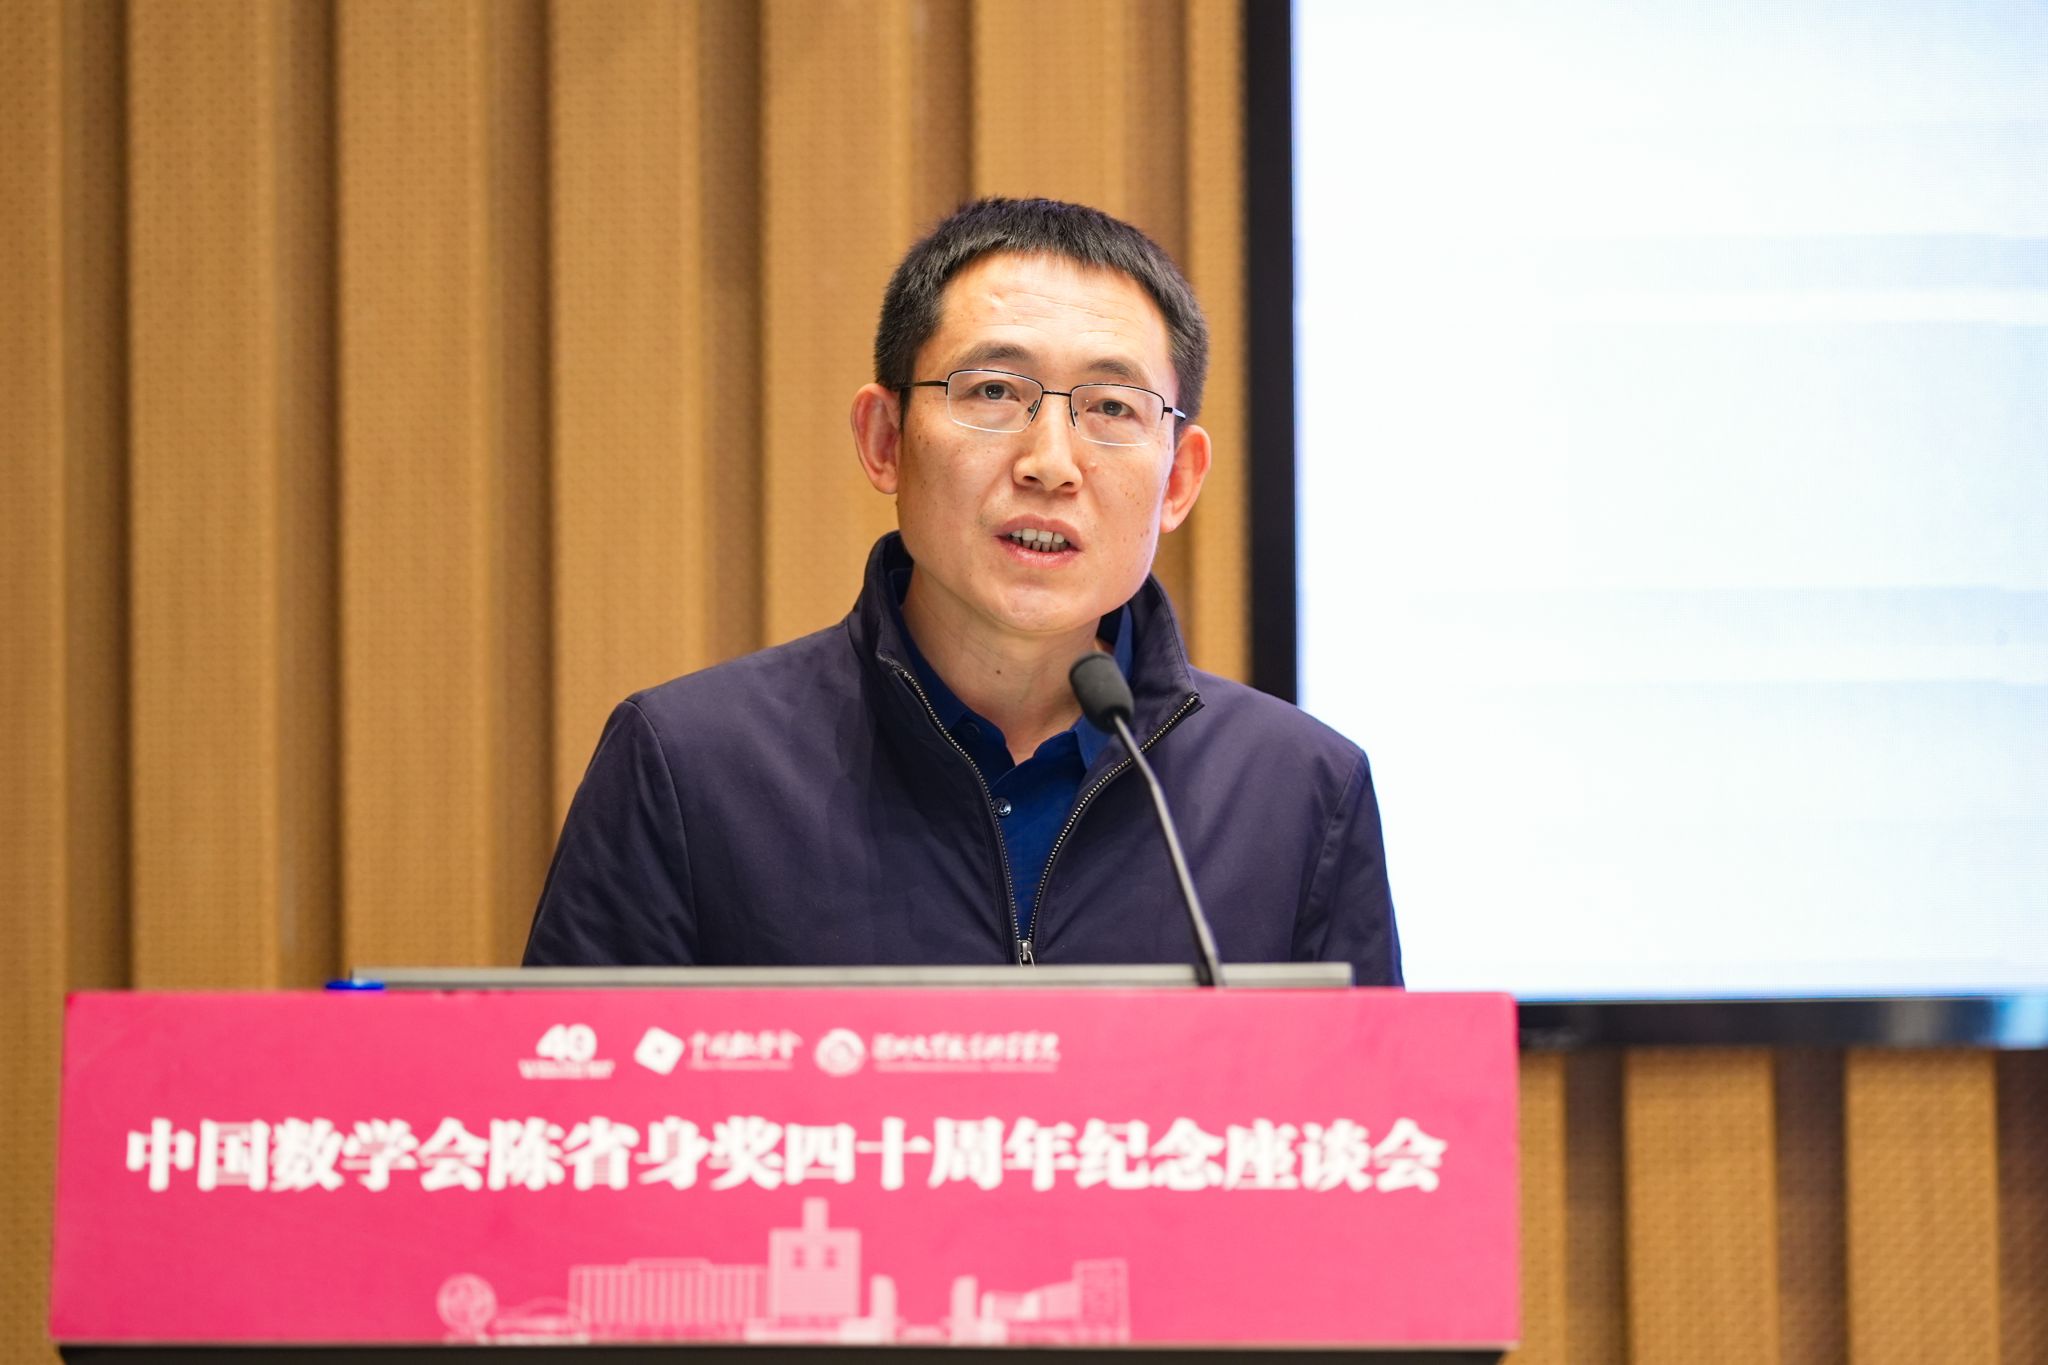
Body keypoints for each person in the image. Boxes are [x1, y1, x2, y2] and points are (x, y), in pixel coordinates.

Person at [523, 197, 1401, 984]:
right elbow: (572, 1103)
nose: (1051, 463)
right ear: (885, 439)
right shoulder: (690, 767)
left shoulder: (1301, 793)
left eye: (1112, 407)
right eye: (992, 391)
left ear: (1178, 480)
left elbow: (1365, 1113)